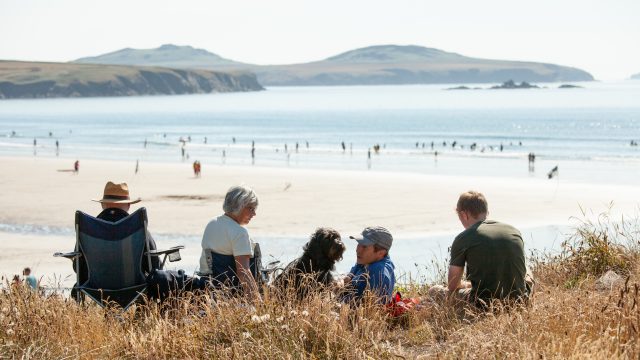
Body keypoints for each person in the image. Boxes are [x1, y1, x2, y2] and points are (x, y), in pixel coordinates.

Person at [428, 191, 529, 308]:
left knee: (434, 290)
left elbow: (453, 285)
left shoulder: (463, 238)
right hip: (520, 301)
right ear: (487, 212)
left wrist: (469, 285)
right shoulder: (513, 230)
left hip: (483, 304)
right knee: (528, 272)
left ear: (464, 215)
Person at [72, 182, 161, 294]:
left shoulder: (90, 228)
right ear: (128, 205)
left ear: (103, 204)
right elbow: (154, 264)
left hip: (95, 287)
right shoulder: (138, 228)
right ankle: (142, 311)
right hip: (135, 287)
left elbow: (77, 266)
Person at [199, 185, 260, 300]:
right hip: (231, 294)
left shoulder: (212, 223)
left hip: (207, 289)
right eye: (251, 208)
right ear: (239, 206)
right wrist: (257, 302)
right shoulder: (239, 232)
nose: (254, 214)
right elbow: (243, 273)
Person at [341, 226, 395, 304]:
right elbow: (350, 276)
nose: (358, 250)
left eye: (364, 247)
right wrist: (346, 280)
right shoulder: (366, 261)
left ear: (381, 253)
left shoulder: (379, 273)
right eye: (359, 244)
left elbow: (372, 310)